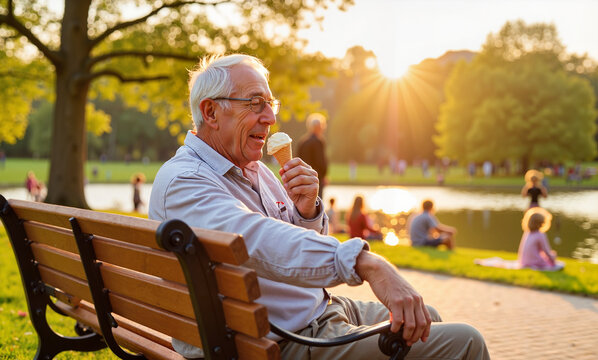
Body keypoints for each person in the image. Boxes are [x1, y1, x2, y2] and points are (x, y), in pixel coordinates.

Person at [149, 54, 488, 359]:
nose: (269, 118)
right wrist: (365, 262)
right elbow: (254, 240)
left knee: (425, 318)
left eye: (270, 104)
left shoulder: (256, 171)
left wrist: (306, 211)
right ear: (210, 112)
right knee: (465, 342)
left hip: (312, 312)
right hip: (283, 339)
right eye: (255, 103)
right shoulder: (186, 181)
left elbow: (287, 243)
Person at [296, 112, 328, 199]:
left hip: (303, 178)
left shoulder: (302, 141)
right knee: (317, 202)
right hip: (316, 178)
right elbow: (320, 161)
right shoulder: (318, 141)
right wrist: (324, 175)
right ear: (318, 127)